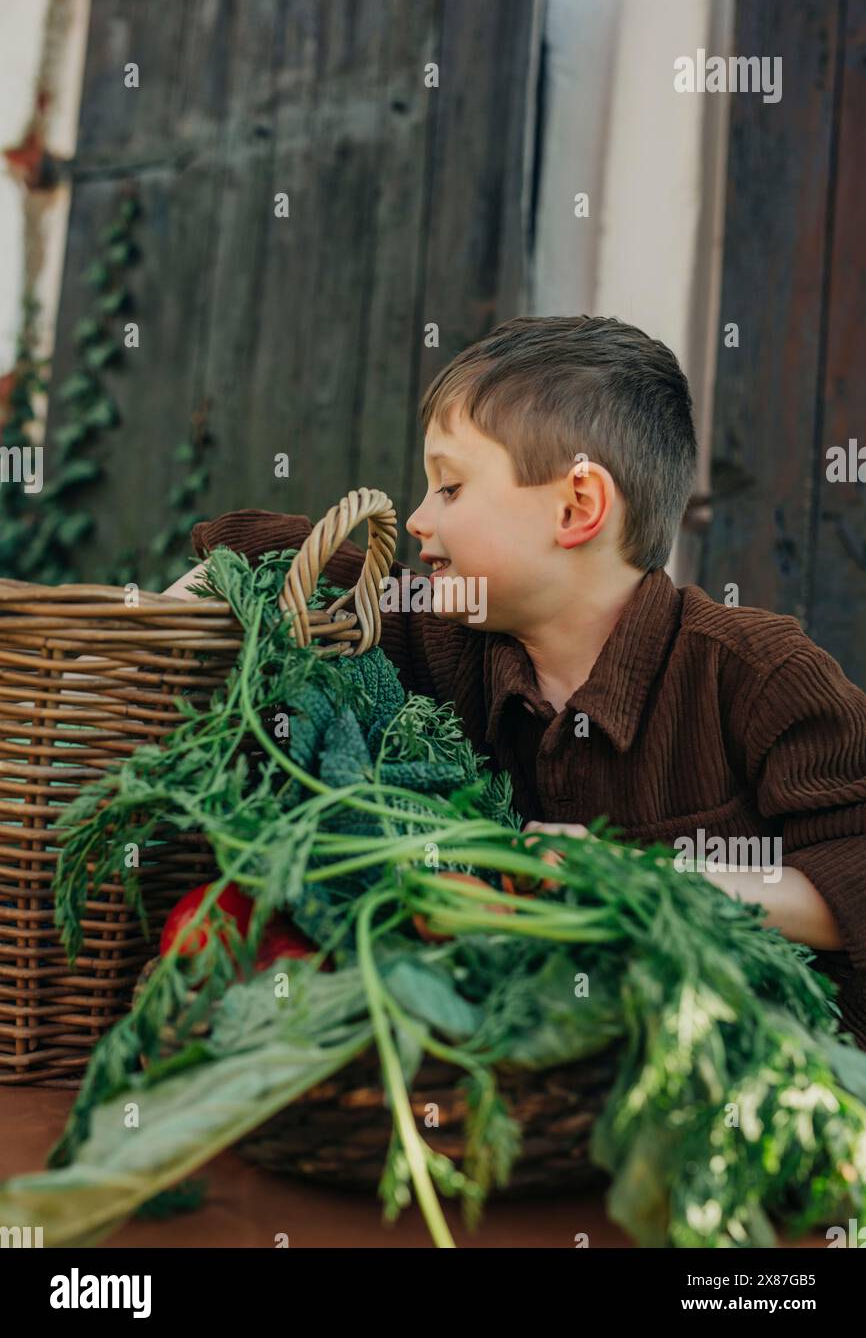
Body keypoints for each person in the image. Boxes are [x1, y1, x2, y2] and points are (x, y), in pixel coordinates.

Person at [166, 315, 866, 1047]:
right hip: (543, 1076)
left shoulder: (755, 672)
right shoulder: (449, 637)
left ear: (575, 507)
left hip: (755, 1066)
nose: (417, 519)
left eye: (451, 488)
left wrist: (641, 877)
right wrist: (164, 616)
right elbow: (276, 563)